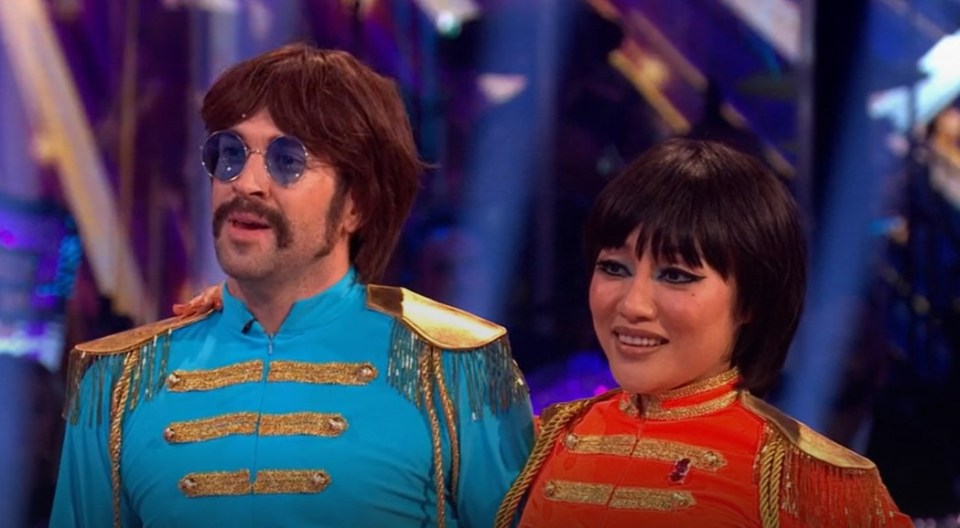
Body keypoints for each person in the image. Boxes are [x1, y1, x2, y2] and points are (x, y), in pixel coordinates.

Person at [51, 43, 534, 528]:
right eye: (231, 154)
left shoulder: (453, 368)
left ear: (356, 205)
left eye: (288, 161)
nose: (246, 183)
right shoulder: (117, 381)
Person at [494, 138, 911, 527]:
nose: (632, 305)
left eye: (675, 275)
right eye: (613, 268)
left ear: (751, 300)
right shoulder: (539, 443)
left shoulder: (808, 481)